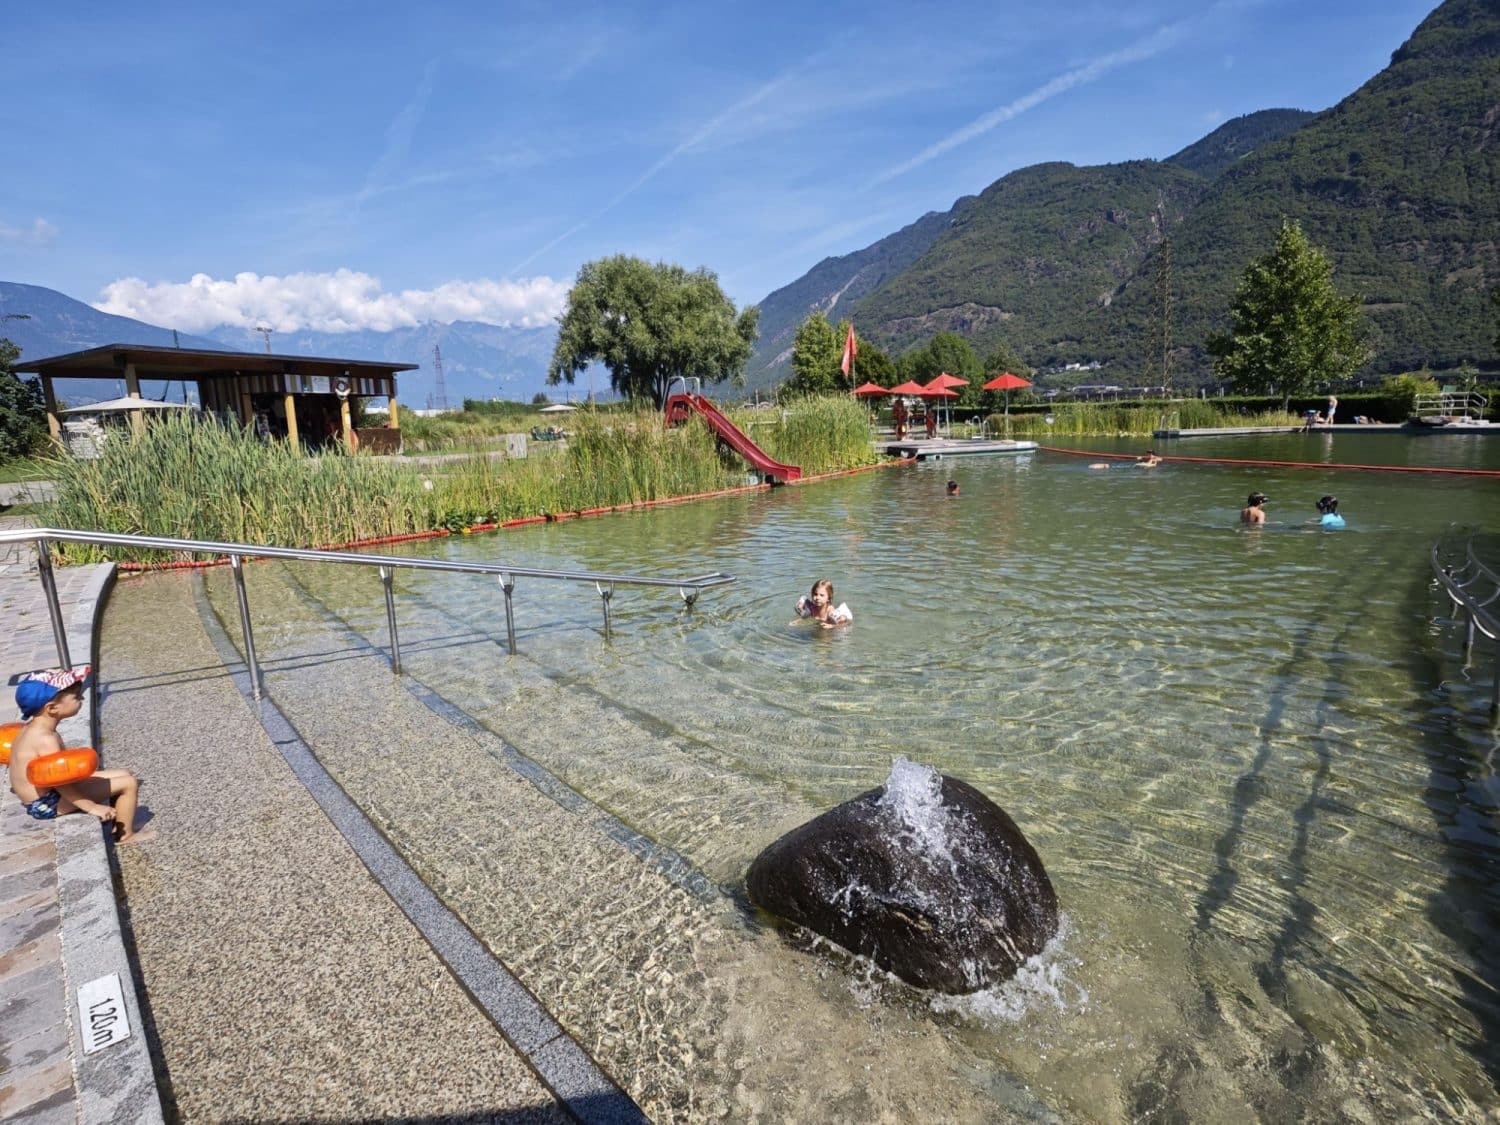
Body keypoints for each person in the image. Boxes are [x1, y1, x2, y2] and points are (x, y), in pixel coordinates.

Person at [7, 668, 147, 843]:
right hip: (47, 803)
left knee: (124, 773)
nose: (82, 699)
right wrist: (92, 807)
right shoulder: (45, 739)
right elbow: (60, 783)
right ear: (52, 708)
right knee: (129, 783)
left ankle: (115, 819)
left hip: (46, 794)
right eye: (76, 697)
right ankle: (125, 835)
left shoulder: (31, 728)